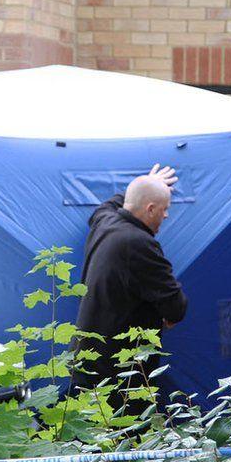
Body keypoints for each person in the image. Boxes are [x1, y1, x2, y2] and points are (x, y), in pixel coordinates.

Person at [71, 164, 188, 414]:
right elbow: (176, 306)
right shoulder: (140, 244)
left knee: (90, 441)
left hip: (86, 363)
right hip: (120, 375)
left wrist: (148, 183)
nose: (166, 216)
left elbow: (107, 206)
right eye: (165, 209)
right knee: (127, 443)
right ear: (150, 209)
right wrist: (170, 313)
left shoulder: (104, 223)